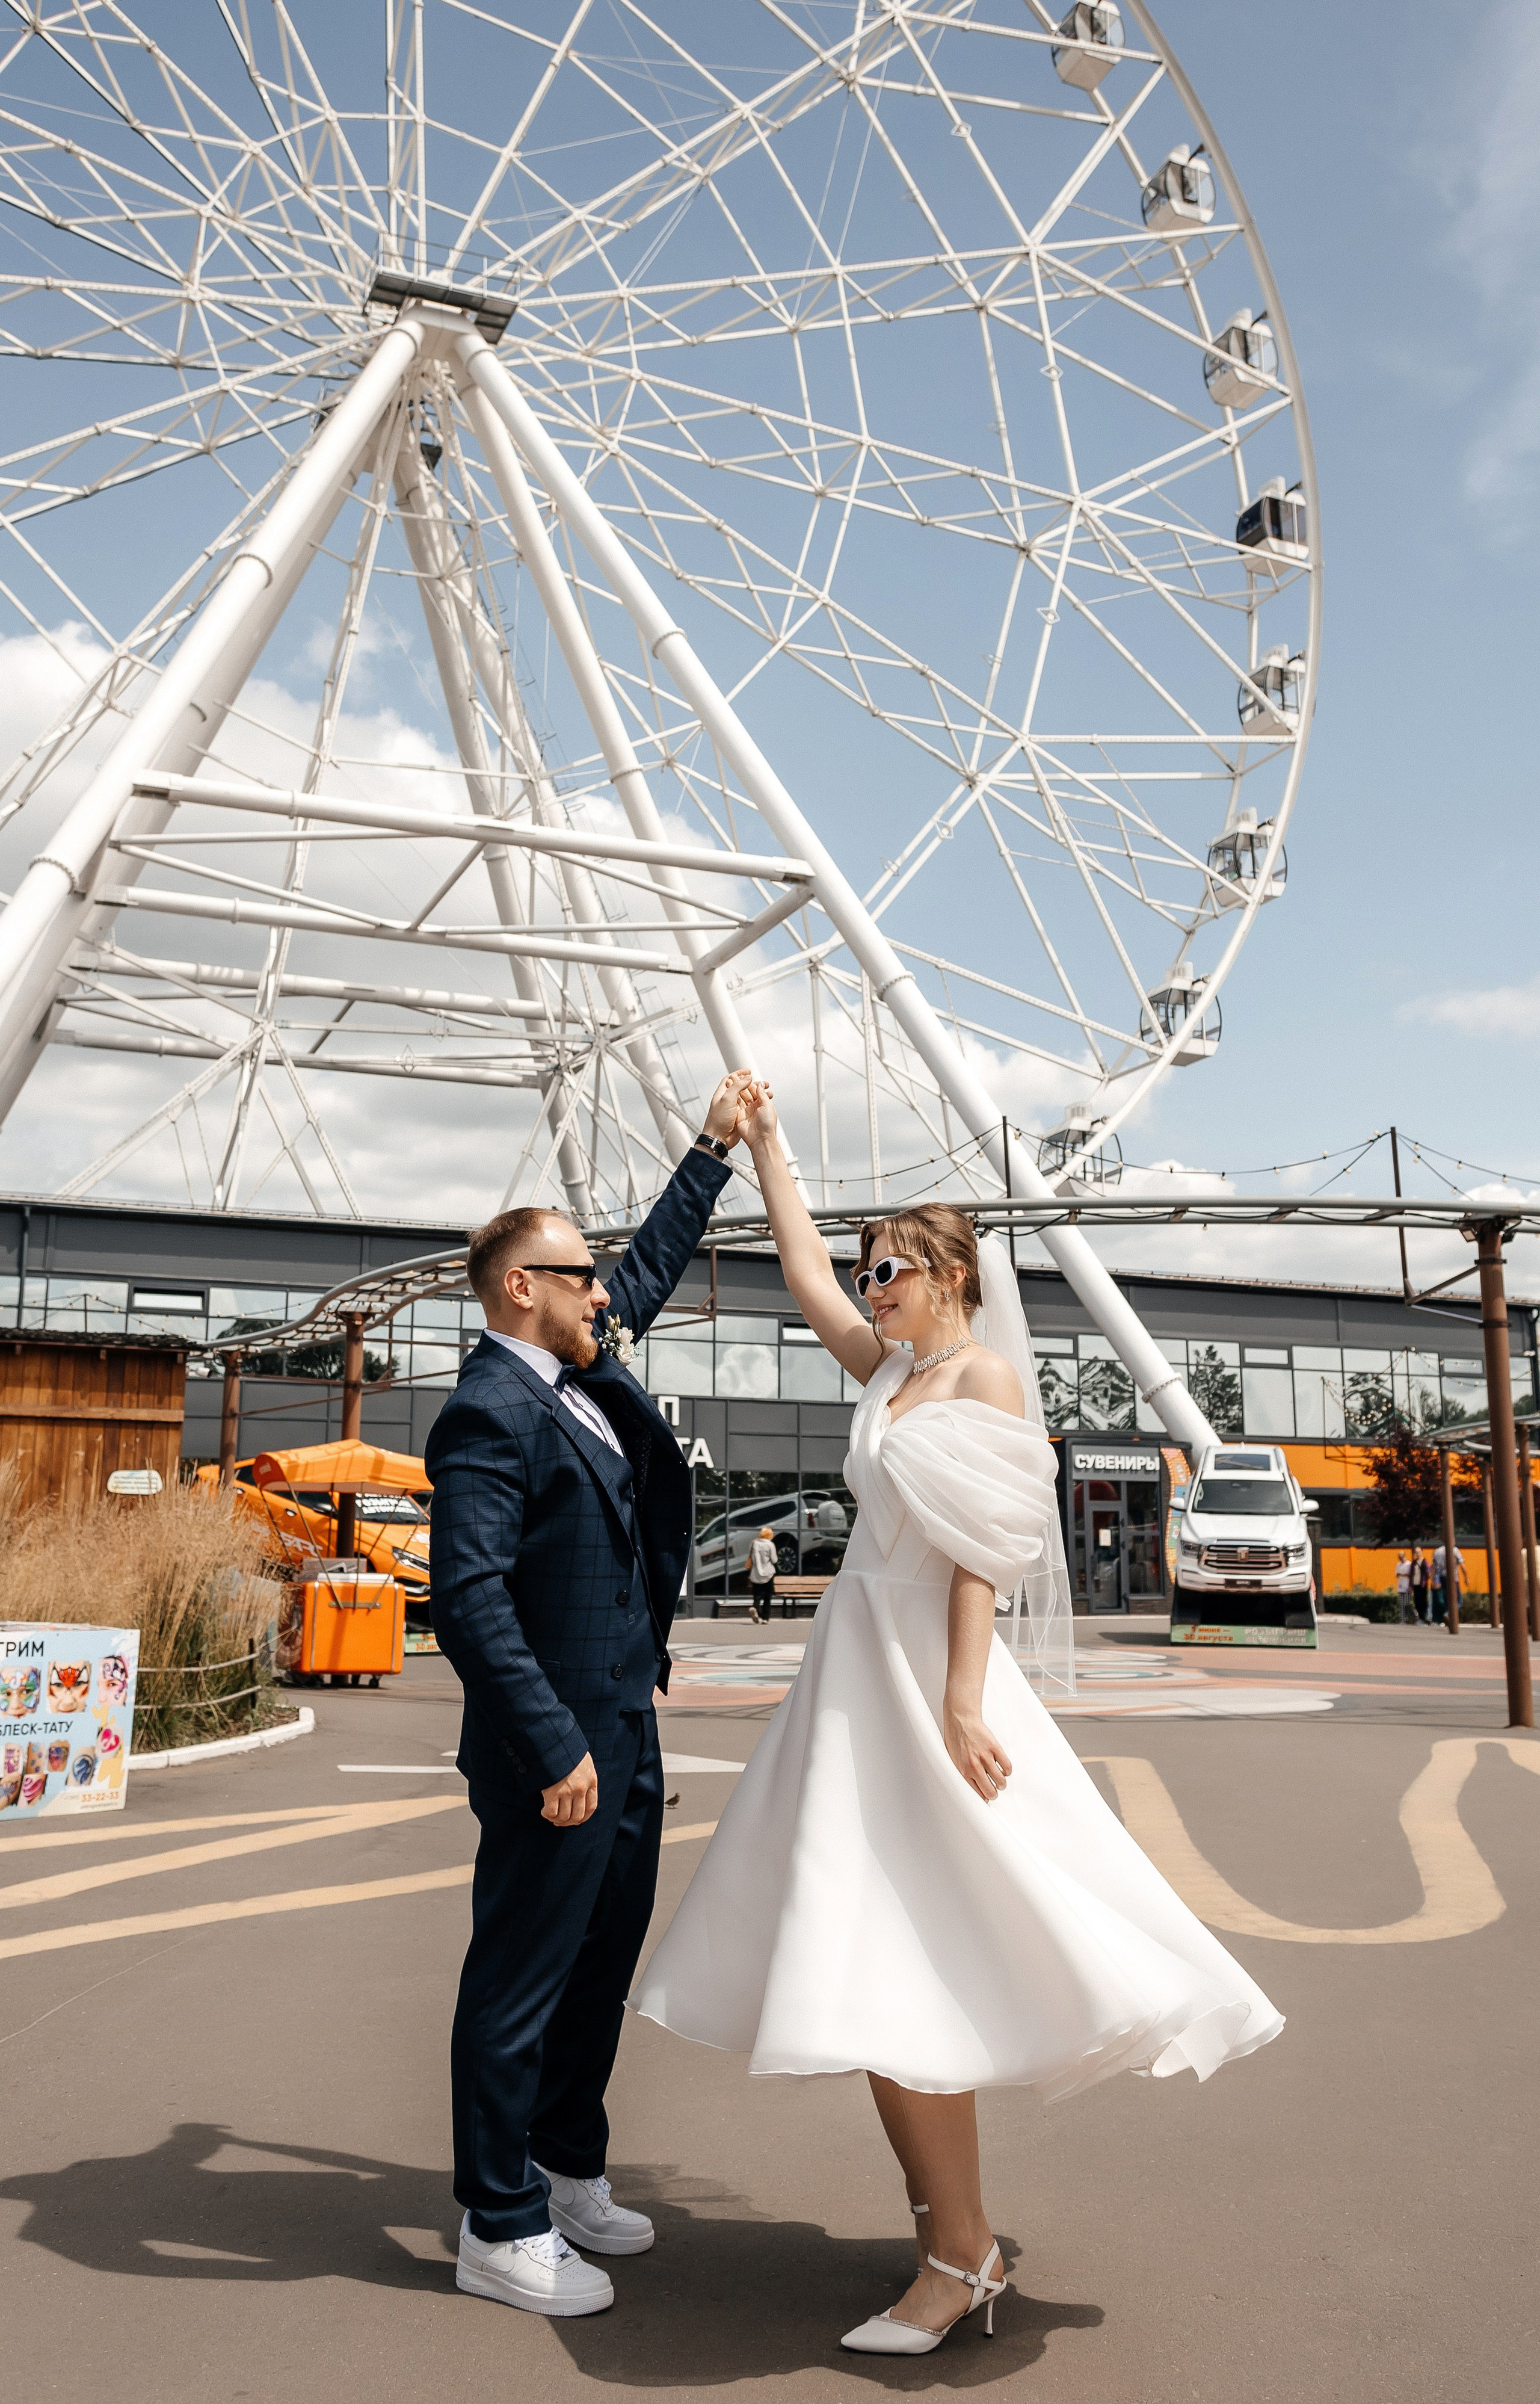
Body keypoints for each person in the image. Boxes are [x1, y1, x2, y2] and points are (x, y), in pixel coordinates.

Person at [631, 1081, 1283, 2357]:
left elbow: (981, 1553)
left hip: (920, 1663)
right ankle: (956, 2239)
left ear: (942, 1273)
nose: (865, 1284)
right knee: (876, 1956)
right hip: (852, 1668)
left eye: (888, 1268)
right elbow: (803, 1262)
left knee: (905, 1959)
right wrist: (766, 1147)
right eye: (868, 1266)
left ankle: (955, 2251)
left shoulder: (978, 1376)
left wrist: (963, 1695)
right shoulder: (892, 1369)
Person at [427, 1071, 753, 2320]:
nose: (601, 1288)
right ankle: (494, 2221)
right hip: (553, 1743)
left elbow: (652, 1270)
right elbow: (469, 1599)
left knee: (595, 1961)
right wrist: (553, 1740)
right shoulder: (485, 1413)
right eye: (578, 1273)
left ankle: (563, 2169)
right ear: (522, 1286)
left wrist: (709, 1151)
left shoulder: (577, 1370)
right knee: (518, 1972)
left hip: (625, 1720)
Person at [1432, 1540, 1464, 1633]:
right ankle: (1449, 1613)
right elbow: (1462, 1564)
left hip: (1443, 1577)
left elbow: (1434, 1567)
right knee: (1458, 1601)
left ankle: (1447, 1613)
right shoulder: (1455, 1550)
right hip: (1453, 1578)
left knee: (1447, 1598)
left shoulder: (1437, 1551)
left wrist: (1434, 1580)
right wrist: (1466, 1577)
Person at [748, 1527, 778, 1623]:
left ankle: (755, 1609)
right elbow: (774, 1560)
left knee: (757, 1595)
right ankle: (765, 1618)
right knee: (767, 1596)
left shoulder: (754, 1543)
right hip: (768, 1574)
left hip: (756, 1574)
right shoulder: (770, 1545)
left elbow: (751, 1556)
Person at [1409, 1544, 1430, 1624]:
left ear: (1422, 1552)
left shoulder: (1424, 1561)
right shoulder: (1414, 1563)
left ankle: (1424, 1618)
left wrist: (1425, 1581)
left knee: (1423, 1601)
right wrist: (1410, 1586)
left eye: (1419, 1552)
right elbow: (1411, 1574)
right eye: (1416, 1552)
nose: (1417, 1553)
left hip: (1423, 1585)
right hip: (1415, 1584)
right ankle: (1420, 1618)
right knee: (1417, 1601)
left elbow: (1427, 1573)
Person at [1395, 1551, 1414, 1624]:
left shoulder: (1409, 1564)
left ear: (1404, 1556)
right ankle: (1403, 1619)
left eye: (1402, 1556)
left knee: (1407, 1604)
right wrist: (1400, 1574)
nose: (1400, 1558)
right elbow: (1396, 1574)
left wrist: (1403, 1574)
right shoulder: (1398, 1564)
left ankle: (1414, 1617)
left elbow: (1411, 1574)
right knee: (1402, 1604)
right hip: (1400, 1586)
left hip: (1407, 1587)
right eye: (1399, 1557)